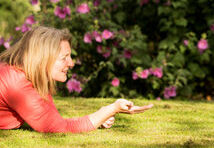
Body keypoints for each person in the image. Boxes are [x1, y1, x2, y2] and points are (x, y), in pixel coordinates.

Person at [0, 26, 153, 133]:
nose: (71, 63)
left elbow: (55, 120)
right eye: (64, 57)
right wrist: (110, 109)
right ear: (42, 59)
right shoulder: (18, 84)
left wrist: (98, 119)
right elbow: (58, 128)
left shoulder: (30, 76)